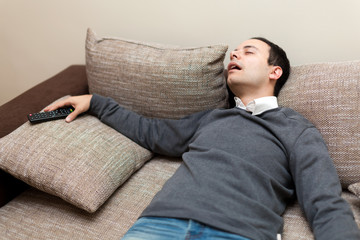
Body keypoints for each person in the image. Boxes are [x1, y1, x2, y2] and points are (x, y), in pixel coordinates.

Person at [45, 38, 360, 240]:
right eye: (234, 51)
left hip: (241, 232)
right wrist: (96, 102)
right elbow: (148, 132)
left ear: (274, 72)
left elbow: (323, 200)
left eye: (248, 51)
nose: (234, 53)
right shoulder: (211, 118)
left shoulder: (296, 128)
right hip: (160, 225)